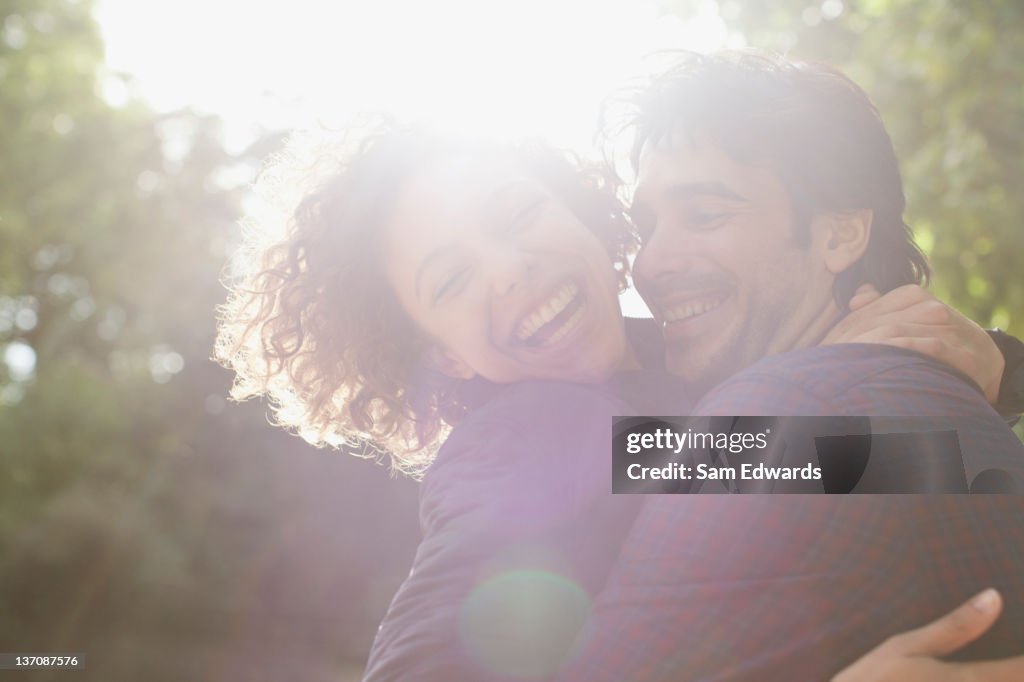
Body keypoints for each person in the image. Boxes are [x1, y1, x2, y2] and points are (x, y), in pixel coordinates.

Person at [214, 119, 1022, 680]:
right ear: (444, 353)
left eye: (518, 213)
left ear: (590, 219)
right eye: (452, 279)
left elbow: (840, 456)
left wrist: (990, 365)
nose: (509, 269)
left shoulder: (688, 361)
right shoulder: (528, 444)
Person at [550, 51, 1024, 681]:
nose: (652, 263)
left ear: (840, 236)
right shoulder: (842, 417)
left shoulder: (802, 406)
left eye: (707, 215)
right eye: (648, 226)